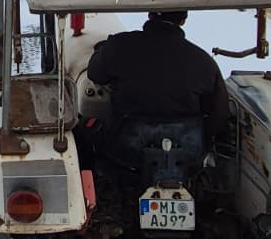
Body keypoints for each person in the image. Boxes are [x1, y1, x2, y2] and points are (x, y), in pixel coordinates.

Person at [86, 10, 229, 141]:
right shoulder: (204, 62)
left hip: (124, 149)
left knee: (83, 128)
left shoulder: (119, 46)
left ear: (150, 14)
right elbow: (219, 115)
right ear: (183, 20)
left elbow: (95, 73)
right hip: (187, 155)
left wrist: (103, 50)